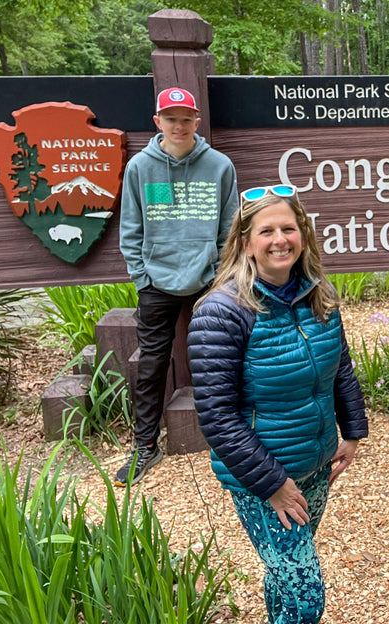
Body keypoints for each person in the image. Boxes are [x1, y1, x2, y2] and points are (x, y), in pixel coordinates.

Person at [187, 184, 368, 624]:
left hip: (317, 463)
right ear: (246, 242)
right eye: (267, 231)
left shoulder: (317, 294)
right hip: (263, 480)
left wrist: (353, 432)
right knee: (306, 596)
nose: (279, 239)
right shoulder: (221, 312)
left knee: (282, 569)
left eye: (288, 227)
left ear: (302, 234)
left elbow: (339, 367)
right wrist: (272, 485)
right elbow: (217, 415)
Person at [115, 86, 239, 486]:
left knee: (222, 358)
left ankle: (235, 440)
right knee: (152, 364)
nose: (179, 125)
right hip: (157, 279)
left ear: (196, 122)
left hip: (208, 278)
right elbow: (130, 229)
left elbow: (229, 229)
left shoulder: (219, 166)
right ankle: (144, 447)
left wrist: (220, 275)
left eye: (186, 118)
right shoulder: (140, 168)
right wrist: (142, 276)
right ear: (158, 123)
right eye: (171, 118)